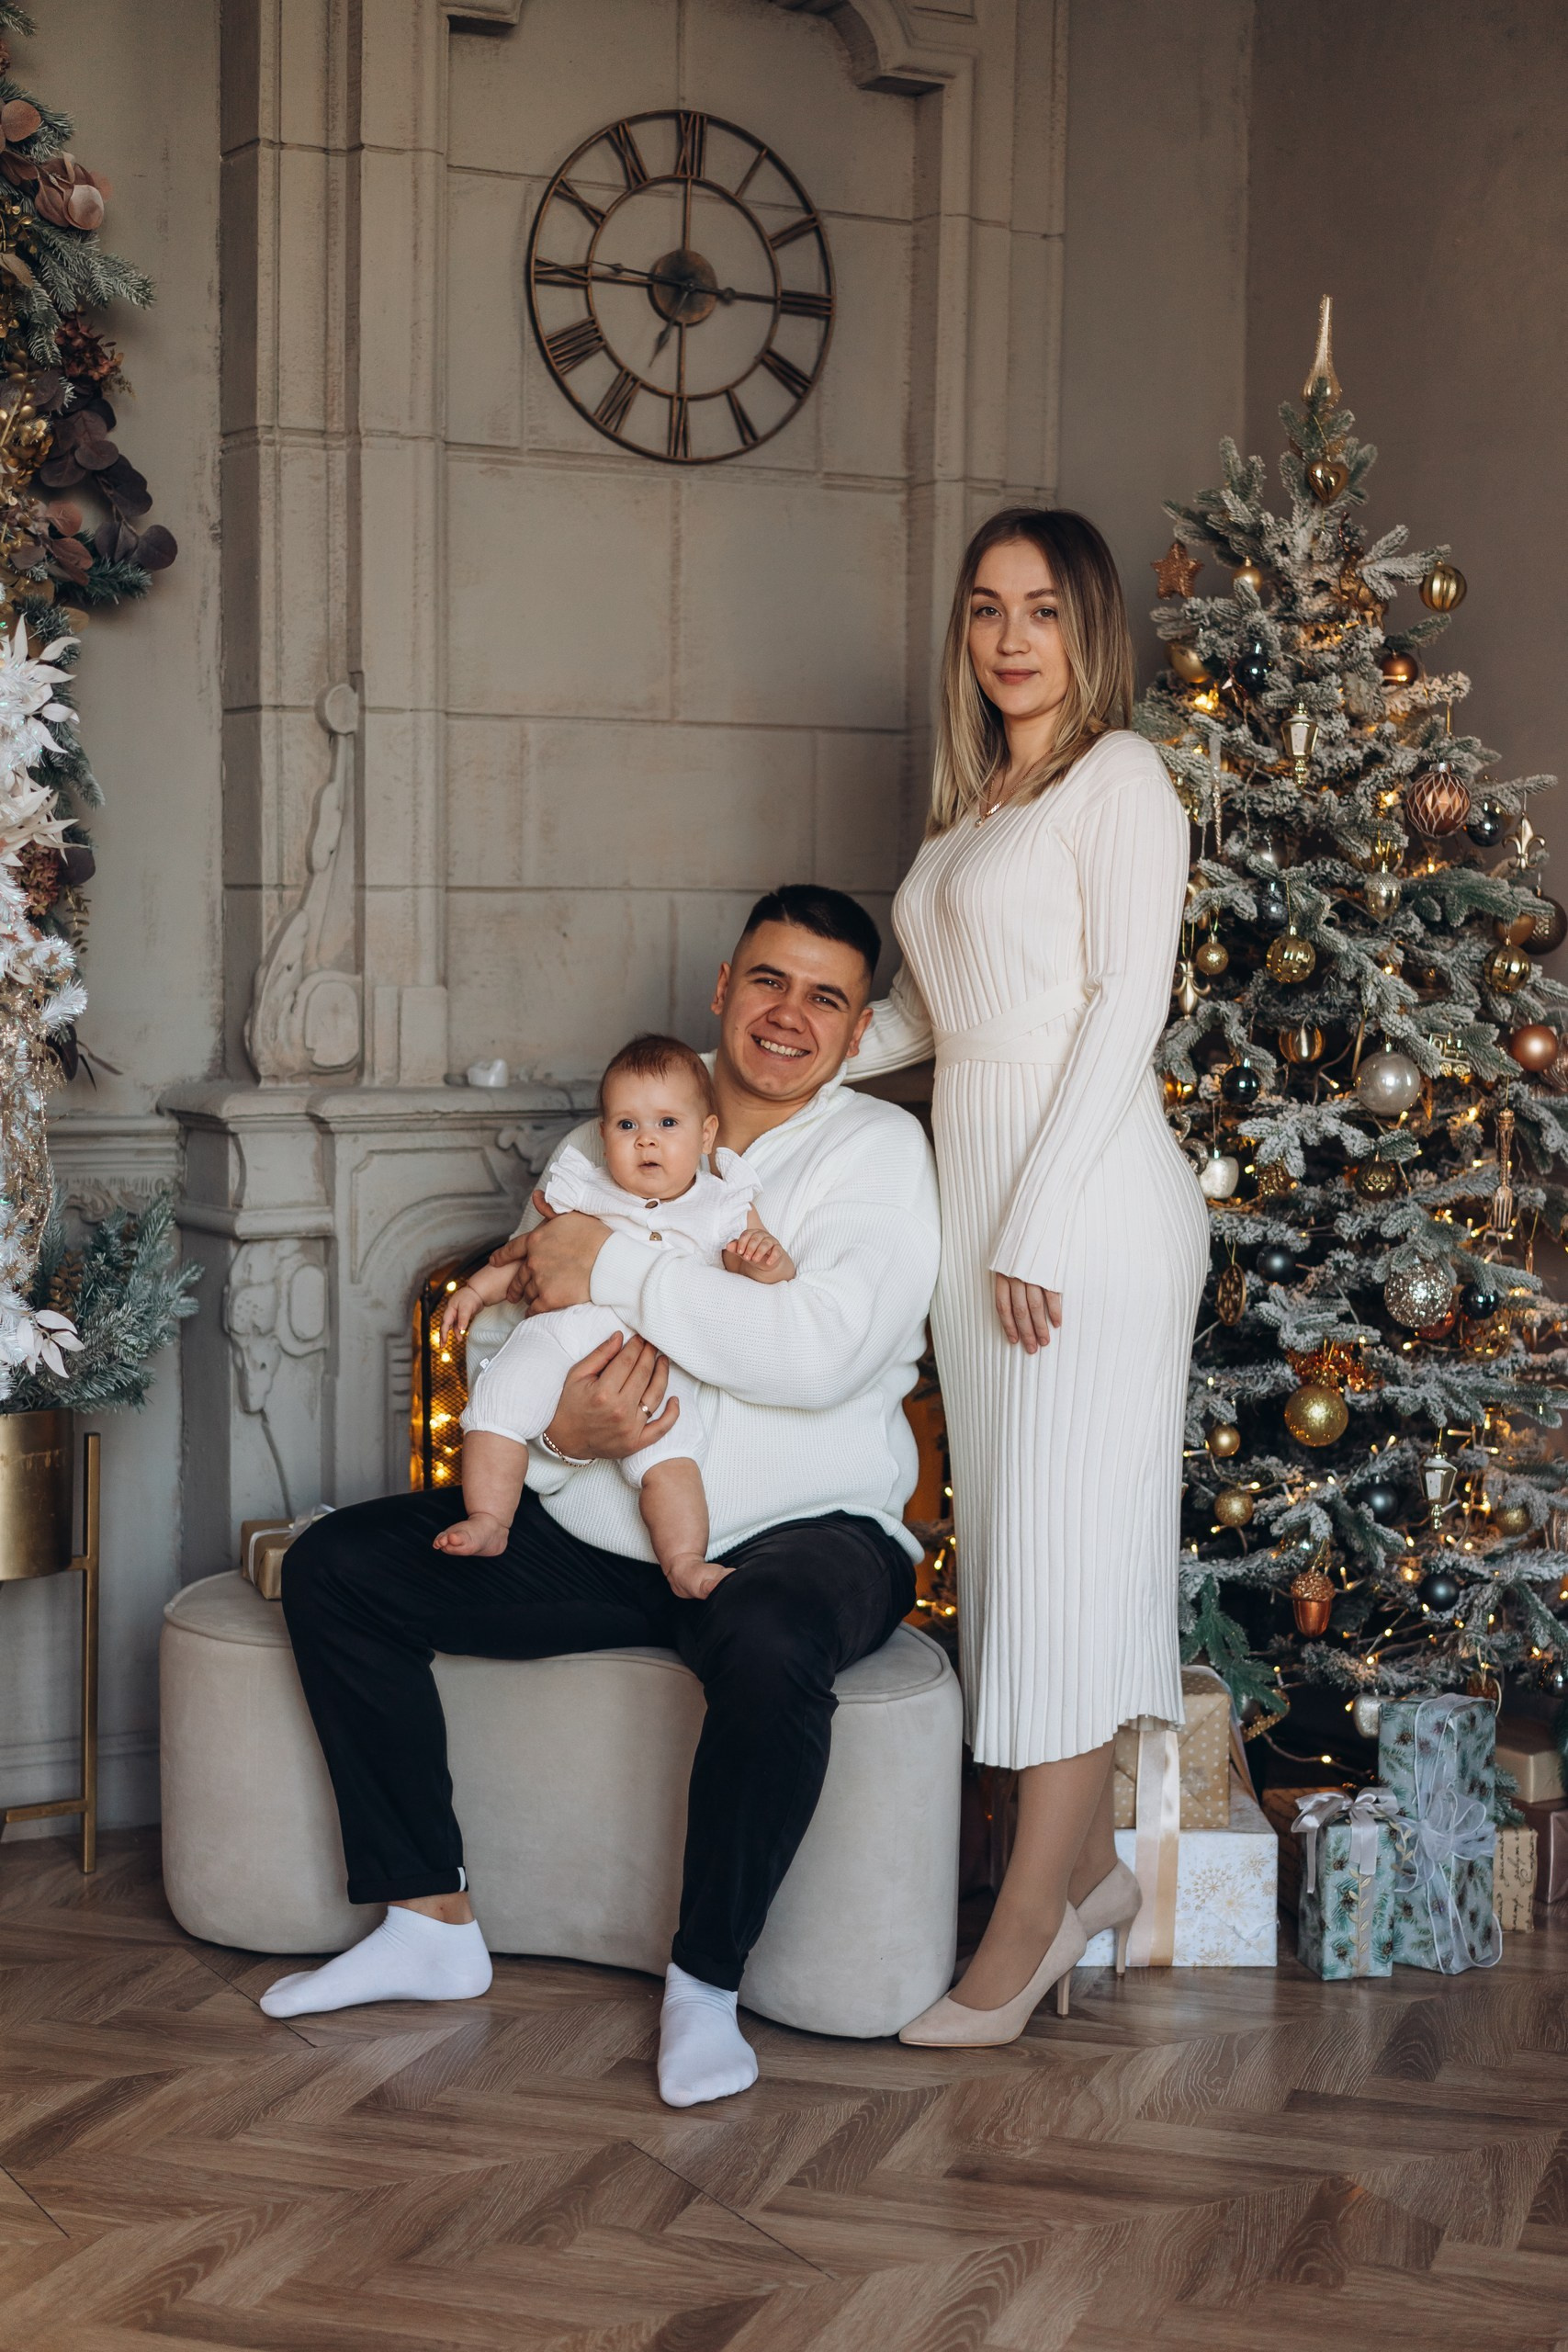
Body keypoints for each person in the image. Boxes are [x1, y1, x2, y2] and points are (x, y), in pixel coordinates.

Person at [263, 886, 940, 2110]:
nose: (788, 1015)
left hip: (809, 1529)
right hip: (598, 1523)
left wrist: (612, 1262)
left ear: (854, 1030)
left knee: (769, 1634)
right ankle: (425, 1919)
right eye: (768, 980)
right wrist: (562, 1434)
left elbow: (817, 1352)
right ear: (722, 987)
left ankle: (705, 1985)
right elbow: (506, 1335)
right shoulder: (616, 1128)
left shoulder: (877, 1153)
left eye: (825, 998)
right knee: (338, 1568)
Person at [851, 508, 1207, 2045]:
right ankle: (1084, 1879)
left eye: (1041, 609)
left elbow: (1126, 1004)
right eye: (986, 608)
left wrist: (1038, 1224)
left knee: (1065, 1565)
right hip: (982, 1216)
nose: (1008, 638)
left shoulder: (1118, 777)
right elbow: (926, 1023)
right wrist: (768, 1069)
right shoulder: (970, 810)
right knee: (1014, 1562)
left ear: (1089, 630)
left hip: (1085, 1222)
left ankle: (1028, 1925)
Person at [434, 1032, 793, 1598]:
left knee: (671, 1458)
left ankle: (683, 1561)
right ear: (604, 1137)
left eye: (667, 1124)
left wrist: (765, 1258)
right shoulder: (585, 1191)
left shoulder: (720, 1205)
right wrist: (476, 1291)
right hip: (557, 1337)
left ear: (706, 1135)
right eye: (628, 1125)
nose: (646, 1139)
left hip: (657, 1359)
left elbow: (762, 1286)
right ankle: (490, 1519)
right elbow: (530, 1259)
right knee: (496, 1404)